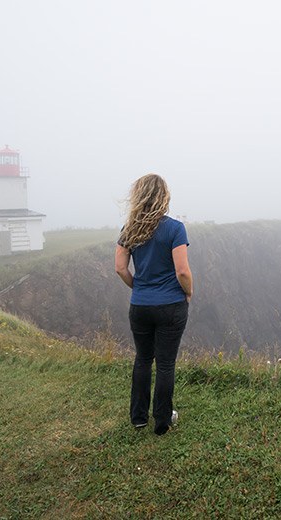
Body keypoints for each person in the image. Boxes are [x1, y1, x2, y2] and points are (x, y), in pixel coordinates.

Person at [115, 174, 193, 435]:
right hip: (171, 304)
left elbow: (120, 268)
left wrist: (138, 287)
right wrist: (189, 292)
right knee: (166, 364)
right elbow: (182, 271)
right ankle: (161, 421)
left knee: (143, 359)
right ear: (164, 196)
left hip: (140, 306)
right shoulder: (174, 228)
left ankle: (138, 418)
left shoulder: (129, 230)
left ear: (139, 196)